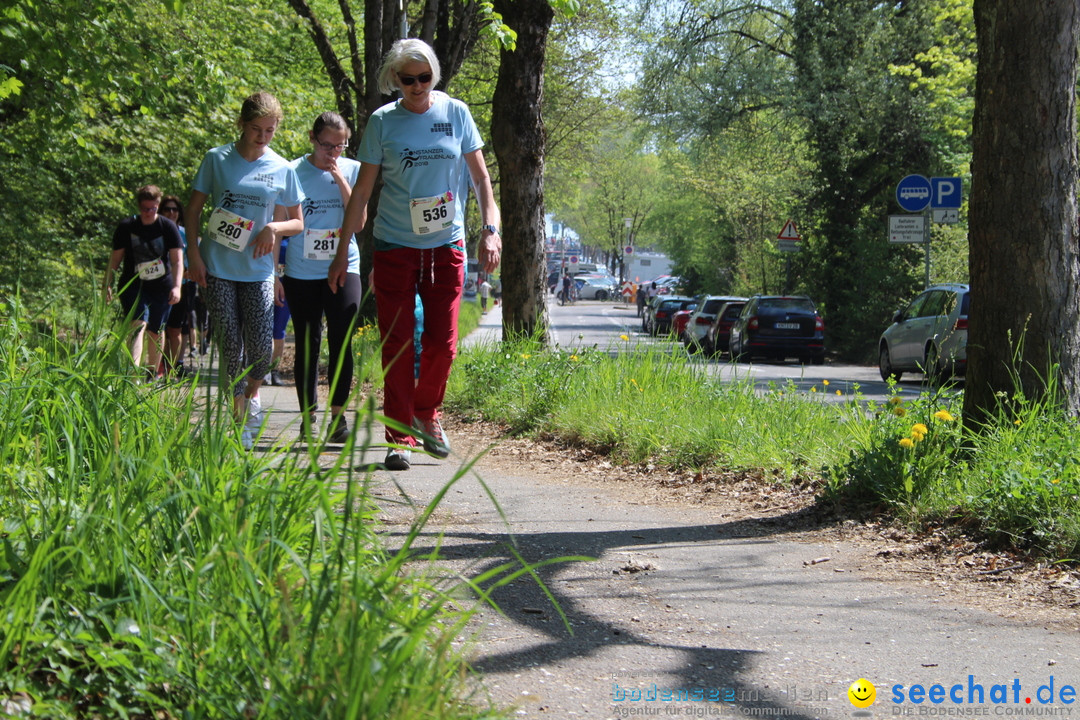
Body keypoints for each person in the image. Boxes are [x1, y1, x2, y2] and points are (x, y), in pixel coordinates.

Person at [340, 38, 501, 471]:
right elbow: (364, 190)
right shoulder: (381, 122)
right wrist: (343, 251)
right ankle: (399, 436)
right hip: (395, 245)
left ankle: (426, 413)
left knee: (443, 345)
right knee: (397, 342)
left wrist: (490, 230)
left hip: (446, 245)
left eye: (424, 77)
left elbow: (482, 180)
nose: (416, 86)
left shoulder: (455, 113)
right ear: (394, 79)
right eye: (407, 79)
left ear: (435, 75)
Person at [185, 91, 305, 449]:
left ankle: (251, 396)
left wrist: (274, 229)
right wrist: (194, 255)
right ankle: (241, 423)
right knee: (230, 348)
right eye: (256, 129)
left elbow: (298, 222)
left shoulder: (281, 168)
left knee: (261, 352)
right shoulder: (217, 159)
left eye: (270, 131)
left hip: (257, 271)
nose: (263, 137)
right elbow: (193, 211)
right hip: (218, 266)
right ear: (241, 124)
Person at [280, 111, 363, 443]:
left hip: (346, 265)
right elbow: (280, 220)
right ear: (312, 138)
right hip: (303, 270)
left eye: (340, 146)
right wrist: (274, 273)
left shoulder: (354, 169)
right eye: (327, 145)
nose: (333, 153)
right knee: (307, 343)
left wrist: (341, 179)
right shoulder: (291, 171)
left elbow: (358, 223)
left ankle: (338, 419)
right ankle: (307, 418)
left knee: (341, 342)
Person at [103, 184, 183, 378]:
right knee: (138, 324)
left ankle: (152, 373)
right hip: (134, 285)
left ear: (157, 205)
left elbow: (177, 259)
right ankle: (133, 373)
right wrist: (107, 284)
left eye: (153, 208)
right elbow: (115, 259)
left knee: (156, 330)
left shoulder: (167, 227)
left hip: (162, 286)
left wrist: (177, 287)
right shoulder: (127, 227)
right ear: (139, 207)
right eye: (145, 209)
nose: (149, 213)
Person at [159, 195, 197, 378]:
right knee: (156, 328)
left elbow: (195, 261)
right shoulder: (154, 230)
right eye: (167, 209)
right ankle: (155, 367)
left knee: (175, 329)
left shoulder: (186, 234)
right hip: (157, 286)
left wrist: (184, 275)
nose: (171, 213)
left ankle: (171, 369)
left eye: (175, 209)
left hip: (182, 286)